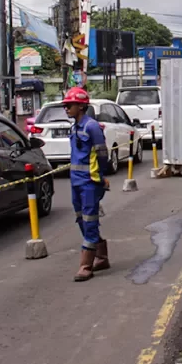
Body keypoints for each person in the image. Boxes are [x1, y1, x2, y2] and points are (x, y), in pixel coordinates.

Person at [63, 86, 112, 282]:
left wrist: (100, 176)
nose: (66, 108)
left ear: (81, 106)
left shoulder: (92, 127)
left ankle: (86, 265)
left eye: (70, 105)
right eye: (66, 105)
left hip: (90, 183)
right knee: (81, 220)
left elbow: (102, 155)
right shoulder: (75, 127)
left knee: (90, 221)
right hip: (76, 182)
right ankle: (101, 257)